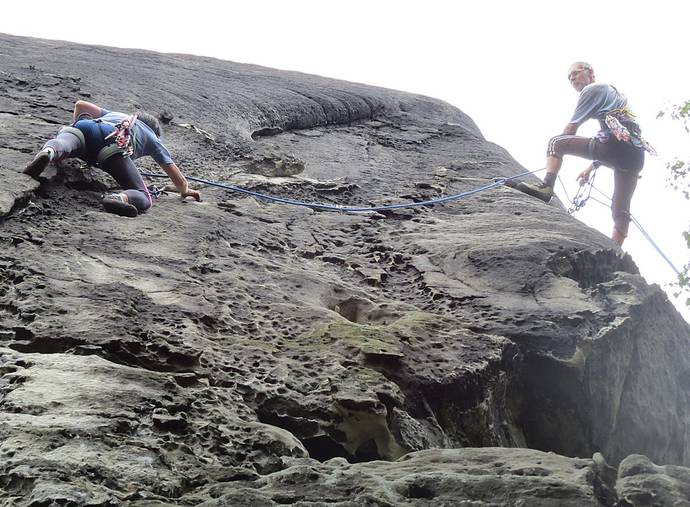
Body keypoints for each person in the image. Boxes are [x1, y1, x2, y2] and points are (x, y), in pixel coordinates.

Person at [517, 62, 653, 246]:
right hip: (635, 156)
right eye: (569, 77)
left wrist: (558, 153)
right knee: (620, 210)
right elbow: (621, 138)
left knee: (556, 143)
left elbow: (571, 128)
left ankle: (546, 187)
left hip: (616, 147)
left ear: (590, 73)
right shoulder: (613, 93)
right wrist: (591, 167)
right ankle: (615, 251)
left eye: (575, 73)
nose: (572, 78)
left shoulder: (592, 90)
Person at [23, 100, 201, 217]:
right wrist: (184, 190)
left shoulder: (118, 115)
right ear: (154, 131)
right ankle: (117, 198)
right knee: (144, 197)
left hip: (86, 127)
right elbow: (172, 170)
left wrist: (82, 135)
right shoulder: (152, 137)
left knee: (66, 142)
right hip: (112, 147)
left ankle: (49, 152)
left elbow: (80, 105)